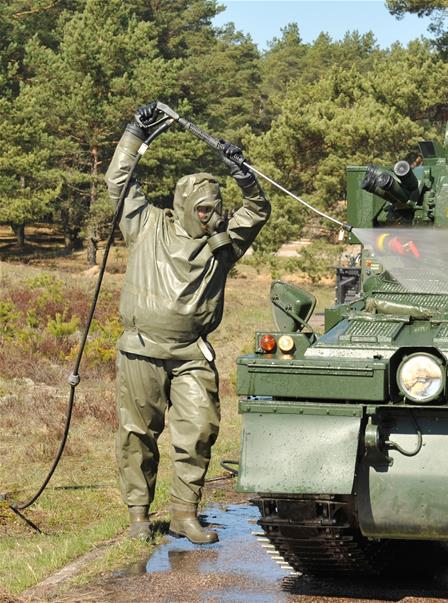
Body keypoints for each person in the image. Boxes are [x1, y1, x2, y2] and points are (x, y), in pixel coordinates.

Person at [105, 102, 270, 543]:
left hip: (191, 351)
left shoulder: (223, 244)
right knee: (138, 434)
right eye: (202, 209)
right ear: (182, 205)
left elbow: (257, 209)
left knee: (199, 429)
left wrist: (243, 173)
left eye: (215, 208)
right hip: (142, 346)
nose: (211, 216)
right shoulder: (148, 225)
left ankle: (183, 513)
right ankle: (139, 516)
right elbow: (119, 180)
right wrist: (134, 133)